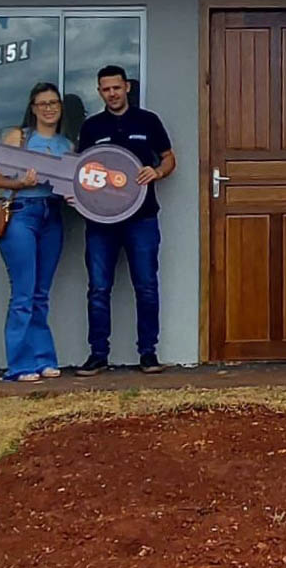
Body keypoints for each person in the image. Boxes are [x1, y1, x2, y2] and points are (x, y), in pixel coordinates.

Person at [74, 65, 176, 375]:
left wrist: (157, 171)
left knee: (145, 285)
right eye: (105, 89)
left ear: (127, 87)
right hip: (100, 221)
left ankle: (148, 353)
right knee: (98, 288)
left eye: (116, 87)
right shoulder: (91, 127)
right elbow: (80, 173)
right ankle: (98, 354)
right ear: (99, 92)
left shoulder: (148, 121)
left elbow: (169, 157)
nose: (112, 94)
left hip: (142, 217)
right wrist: (75, 194)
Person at [0, 82, 73, 383]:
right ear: (32, 108)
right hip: (22, 215)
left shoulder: (66, 146)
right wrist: (20, 183)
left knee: (40, 294)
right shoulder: (19, 137)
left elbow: (71, 185)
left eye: (54, 103)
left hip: (53, 216)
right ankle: (19, 365)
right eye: (42, 103)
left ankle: (44, 359)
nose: (49, 108)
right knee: (23, 293)